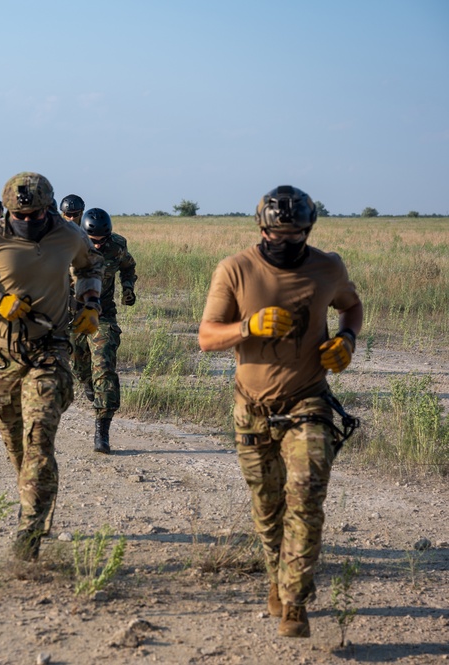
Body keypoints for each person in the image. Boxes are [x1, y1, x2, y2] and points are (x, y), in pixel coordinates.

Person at [198, 185, 363, 638]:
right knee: (268, 509)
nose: (284, 242)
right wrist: (247, 326)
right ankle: (277, 576)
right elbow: (207, 336)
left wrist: (346, 340)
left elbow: (351, 306)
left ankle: (295, 602)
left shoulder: (328, 267)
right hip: (251, 409)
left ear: (308, 230)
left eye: (294, 235)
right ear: (260, 227)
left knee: (306, 496)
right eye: (275, 233)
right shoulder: (235, 269)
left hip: (308, 400)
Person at [0, 172, 103, 561]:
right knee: (14, 436)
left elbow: (90, 265)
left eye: (36, 215)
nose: (29, 221)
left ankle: (29, 531)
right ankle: (31, 493)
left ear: (49, 208)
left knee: (39, 437)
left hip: (51, 349)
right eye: (21, 215)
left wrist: (90, 304)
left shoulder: (69, 235)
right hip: (4, 354)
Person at [72, 208, 137, 454]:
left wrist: (128, 288)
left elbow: (128, 267)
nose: (98, 246)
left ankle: (102, 429)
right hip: (73, 315)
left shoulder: (117, 245)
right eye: (93, 241)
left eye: (102, 240)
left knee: (104, 366)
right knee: (79, 366)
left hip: (103, 314)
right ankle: (87, 382)